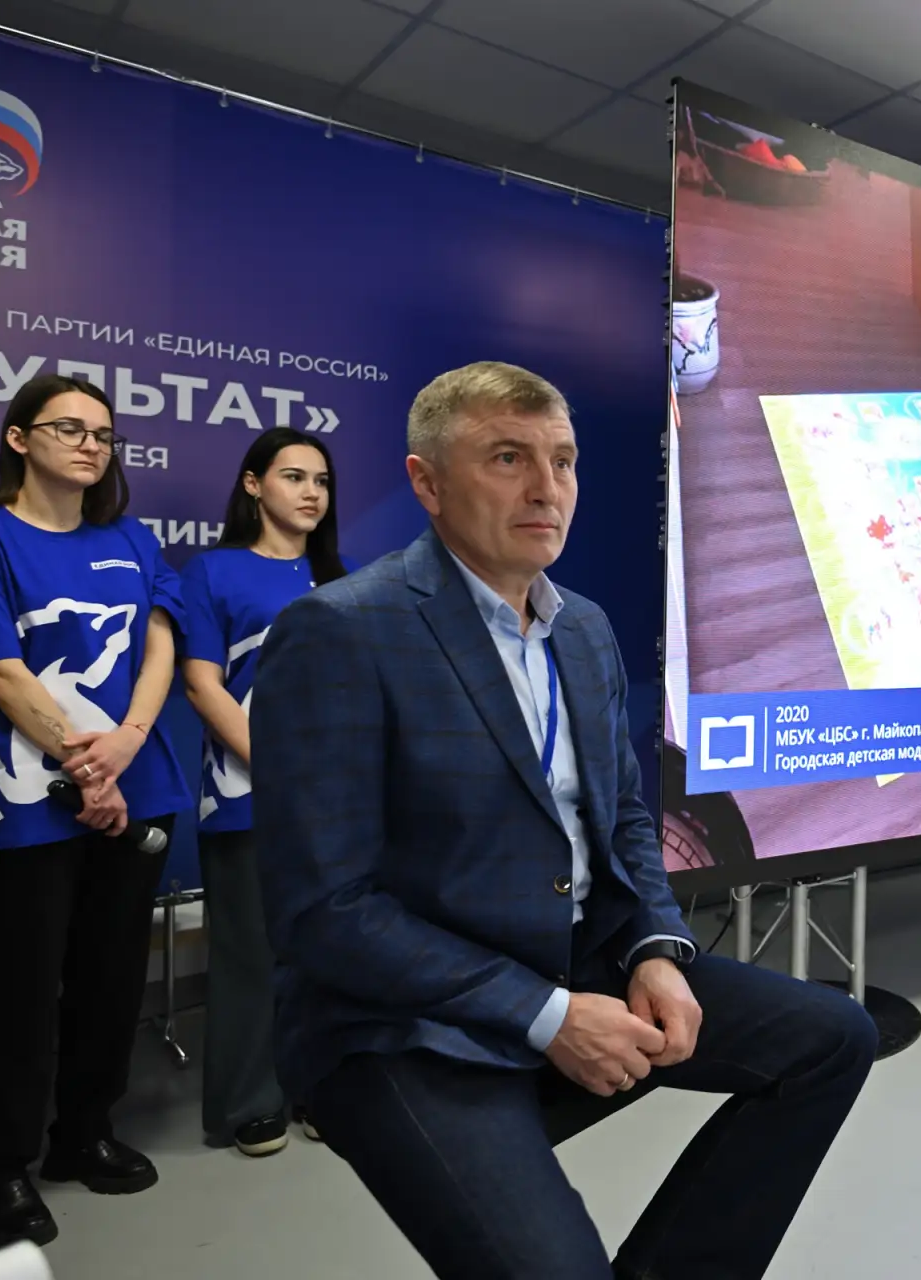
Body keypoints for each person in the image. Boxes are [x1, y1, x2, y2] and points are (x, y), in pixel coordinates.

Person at [252, 362, 877, 1280]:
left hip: (577, 958)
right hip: (401, 1022)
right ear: (427, 482)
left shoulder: (582, 628)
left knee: (833, 1037)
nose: (547, 488)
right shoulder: (341, 631)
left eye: (563, 460)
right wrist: (548, 1017)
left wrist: (655, 950)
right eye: (508, 458)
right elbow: (326, 913)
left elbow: (626, 822)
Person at [0, 375, 190, 1250]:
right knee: (18, 991)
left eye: (104, 435)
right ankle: (0, 1167)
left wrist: (127, 744)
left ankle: (83, 1134)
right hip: (24, 806)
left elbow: (160, 642)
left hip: (137, 783)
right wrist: (87, 765)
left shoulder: (131, 539)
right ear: (18, 438)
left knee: (110, 981)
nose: (91, 445)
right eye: (70, 428)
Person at [180, 428, 349, 1158]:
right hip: (246, 793)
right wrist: (280, 768)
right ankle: (252, 1102)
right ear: (253, 485)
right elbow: (201, 683)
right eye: (293, 477)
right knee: (251, 954)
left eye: (321, 480)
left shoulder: (342, 579)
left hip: (336, 803)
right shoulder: (213, 572)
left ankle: (320, 1087)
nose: (311, 492)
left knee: (327, 953)